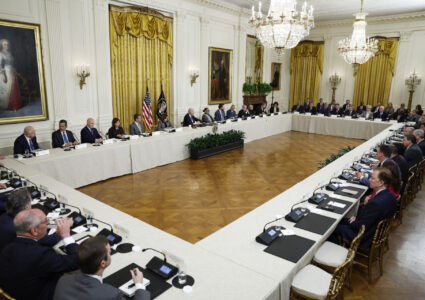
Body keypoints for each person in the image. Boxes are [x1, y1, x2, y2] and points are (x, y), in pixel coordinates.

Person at [0, 209, 78, 300]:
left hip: (13, 290)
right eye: (45, 221)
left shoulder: (8, 247)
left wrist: (57, 234)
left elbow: (36, 243)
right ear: (34, 231)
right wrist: (66, 235)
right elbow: (76, 260)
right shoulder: (40, 255)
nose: (48, 223)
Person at [53, 236, 150, 300]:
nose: (111, 250)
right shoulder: (110, 295)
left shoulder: (64, 279)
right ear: (103, 263)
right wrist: (139, 285)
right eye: (108, 251)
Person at [330, 168, 397, 248]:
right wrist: (356, 219)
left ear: (381, 183)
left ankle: (338, 250)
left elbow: (361, 227)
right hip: (374, 230)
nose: (369, 179)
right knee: (343, 220)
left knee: (333, 226)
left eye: (372, 178)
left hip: (365, 238)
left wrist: (353, 221)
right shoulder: (390, 196)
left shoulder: (376, 203)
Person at [0, 39, 22, 111]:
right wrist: (3, 75)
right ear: (2, 45)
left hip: (12, 72)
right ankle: (9, 106)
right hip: (5, 73)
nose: (6, 46)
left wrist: (15, 71)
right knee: (8, 90)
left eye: (7, 44)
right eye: (4, 44)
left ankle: (15, 106)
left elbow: (12, 64)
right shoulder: (1, 54)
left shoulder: (9, 53)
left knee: (14, 89)